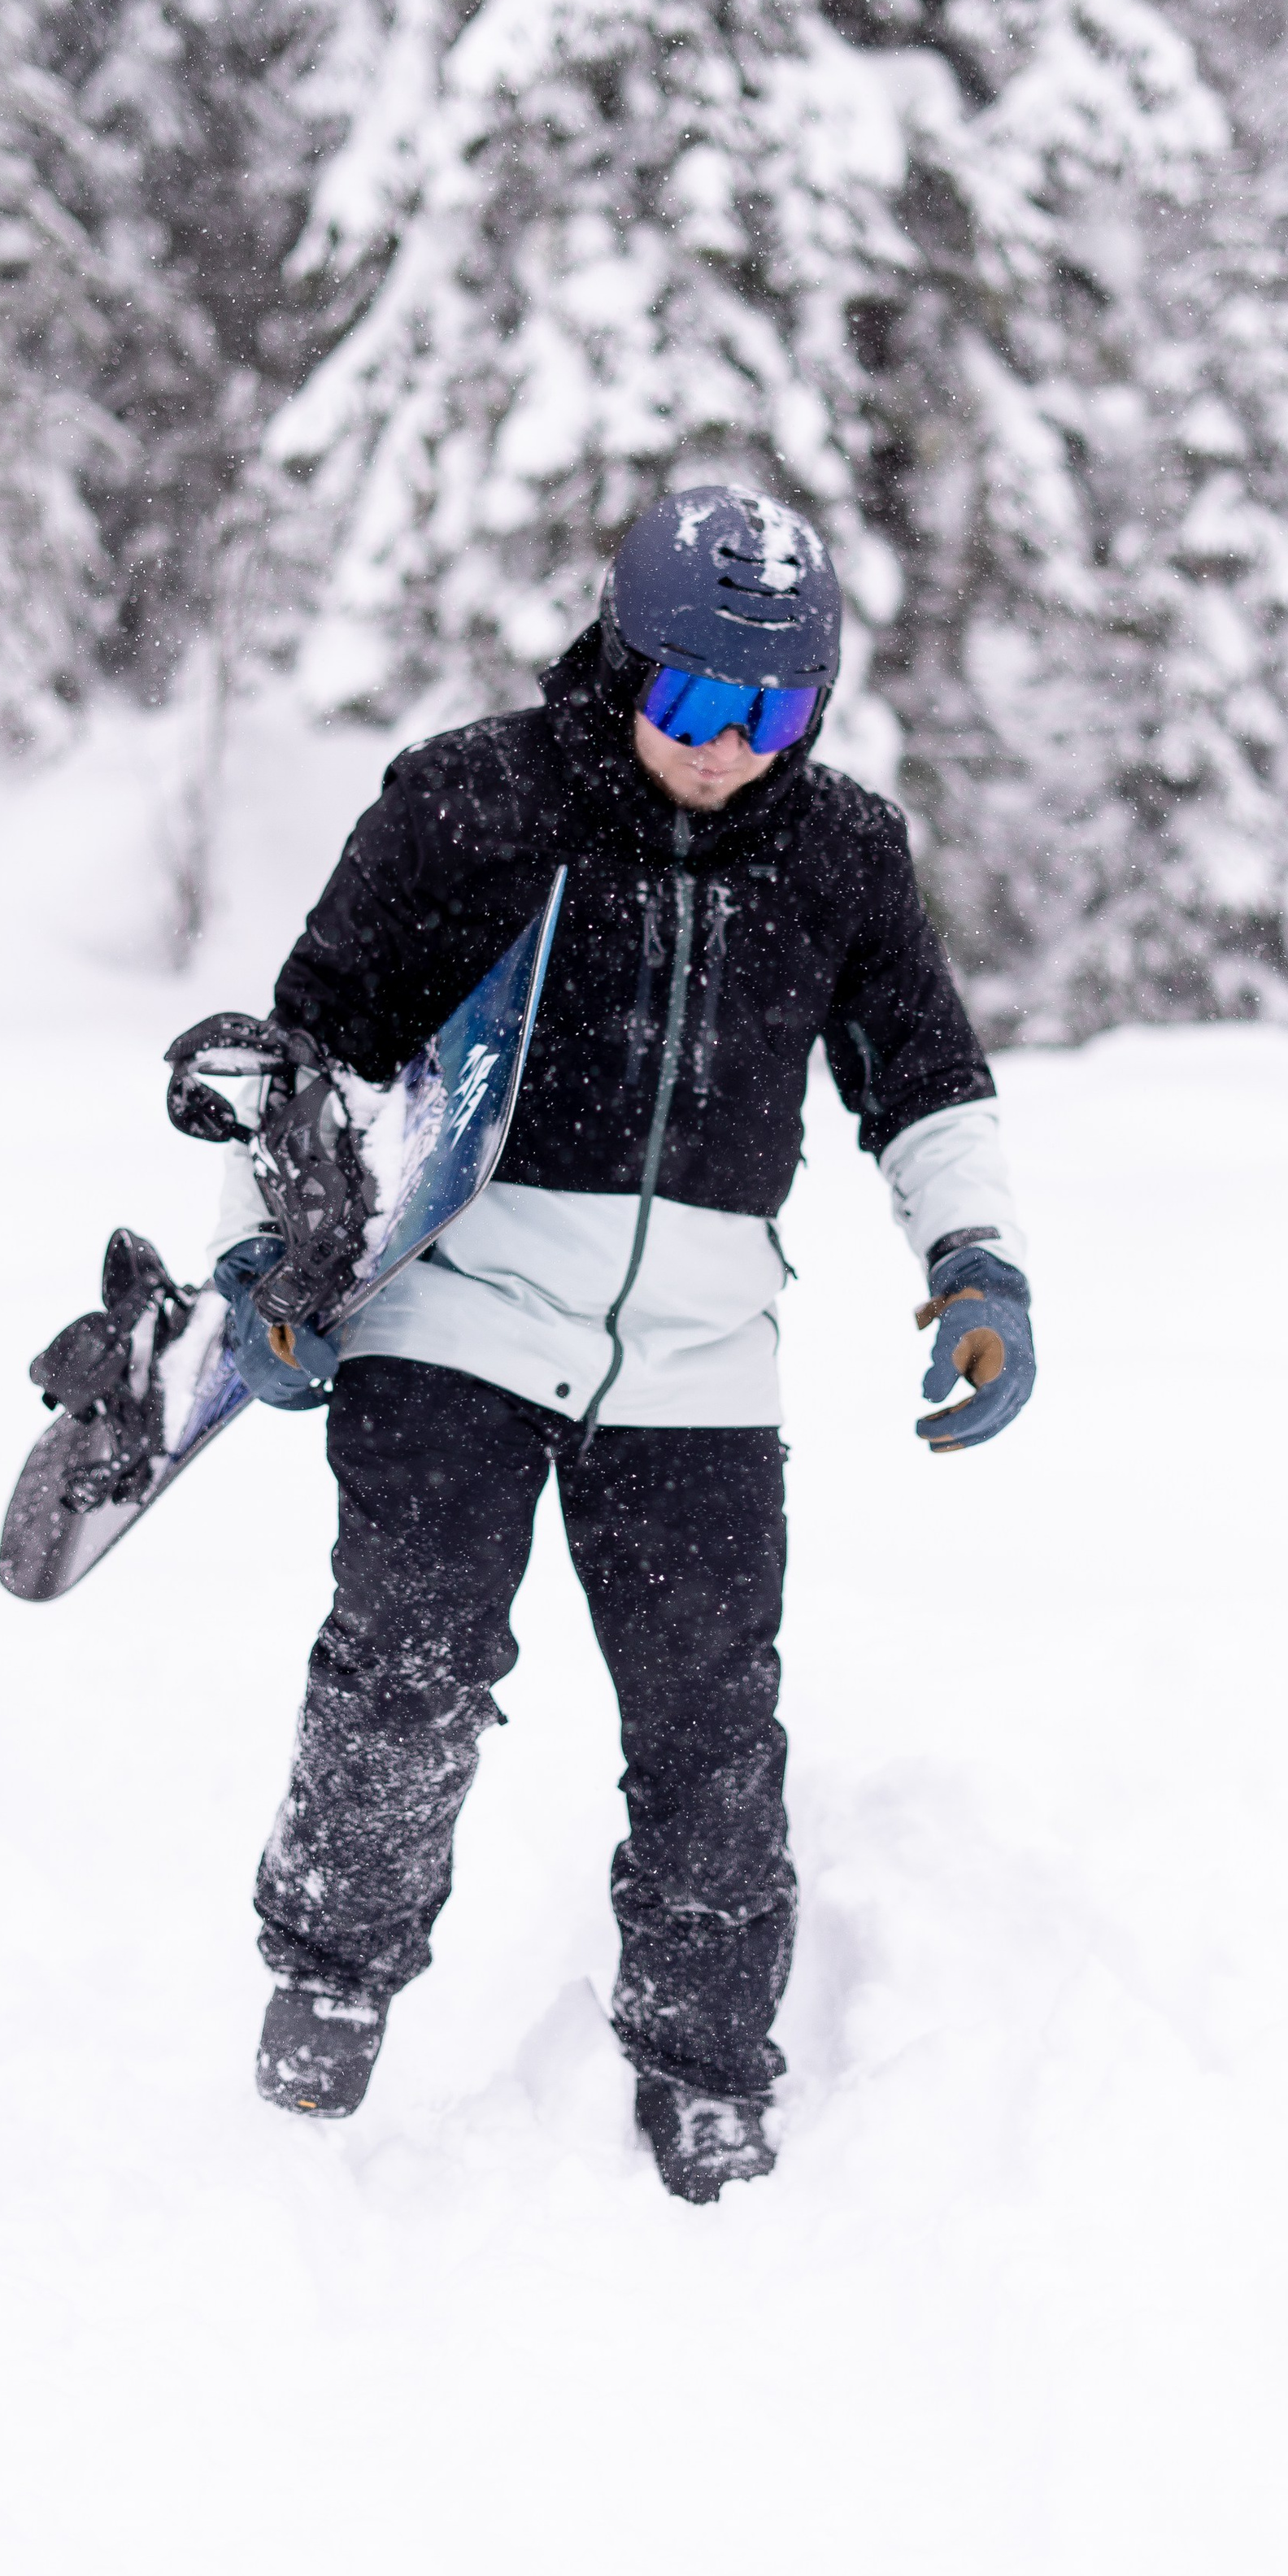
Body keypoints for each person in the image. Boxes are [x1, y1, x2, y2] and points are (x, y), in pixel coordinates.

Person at [208, 486, 1035, 2202]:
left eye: (774, 714)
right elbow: (312, 1053)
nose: (729, 750)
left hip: (698, 1364)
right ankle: (331, 1969)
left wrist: (976, 1268)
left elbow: (927, 1082)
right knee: (412, 1651)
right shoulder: (470, 803)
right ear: (622, 660)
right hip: (456, 1315)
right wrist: (260, 1264)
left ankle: (703, 2056)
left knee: (710, 1730)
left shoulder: (842, 856)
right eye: (693, 705)